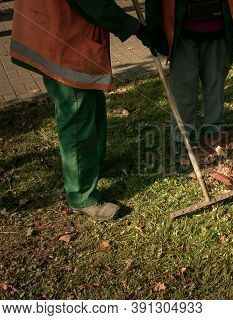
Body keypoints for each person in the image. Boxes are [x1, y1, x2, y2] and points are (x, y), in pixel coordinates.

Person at [10, 0, 155, 220]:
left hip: (64, 31)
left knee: (91, 100)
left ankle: (93, 164)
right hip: (62, 38)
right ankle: (81, 196)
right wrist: (135, 28)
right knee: (77, 114)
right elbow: (92, 2)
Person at [145, 0, 233, 163]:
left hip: (219, 35)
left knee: (215, 87)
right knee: (183, 90)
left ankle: (214, 136)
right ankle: (182, 141)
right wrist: (154, 28)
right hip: (182, 35)